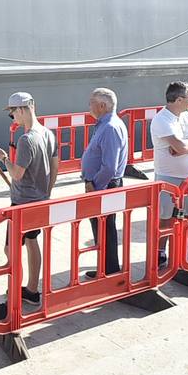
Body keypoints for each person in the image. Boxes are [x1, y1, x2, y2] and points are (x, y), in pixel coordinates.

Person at [0, 92, 59, 320]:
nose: (12, 118)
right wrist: (46, 194)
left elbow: (17, 174)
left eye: (12, 113)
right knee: (31, 242)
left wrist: (4, 159)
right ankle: (31, 290)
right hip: (38, 199)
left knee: (11, 250)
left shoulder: (26, 139)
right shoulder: (48, 133)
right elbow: (55, 167)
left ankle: (14, 298)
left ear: (21, 109)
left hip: (21, 203)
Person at [151, 80, 188, 265]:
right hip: (167, 178)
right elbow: (183, 146)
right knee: (165, 218)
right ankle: (160, 254)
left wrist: (185, 146)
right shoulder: (161, 120)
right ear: (179, 99)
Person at [79, 88, 128, 277]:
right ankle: (106, 268)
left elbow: (109, 166)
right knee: (102, 229)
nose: (88, 105)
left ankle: (109, 271)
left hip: (104, 185)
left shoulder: (110, 127)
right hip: (103, 184)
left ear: (102, 105)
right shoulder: (106, 125)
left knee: (105, 228)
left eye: (91, 102)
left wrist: (94, 185)